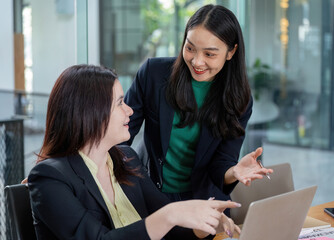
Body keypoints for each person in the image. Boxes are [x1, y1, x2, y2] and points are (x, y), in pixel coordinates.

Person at [27, 65, 241, 240]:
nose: (129, 110)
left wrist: (206, 223)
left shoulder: (127, 159)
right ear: (91, 113)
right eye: (120, 103)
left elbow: (173, 228)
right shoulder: (50, 178)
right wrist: (171, 214)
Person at [123, 4, 273, 204]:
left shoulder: (239, 100)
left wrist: (234, 171)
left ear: (231, 52)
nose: (196, 61)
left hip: (201, 201)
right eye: (190, 48)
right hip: (149, 192)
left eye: (209, 54)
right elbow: (120, 135)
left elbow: (221, 164)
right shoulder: (153, 74)